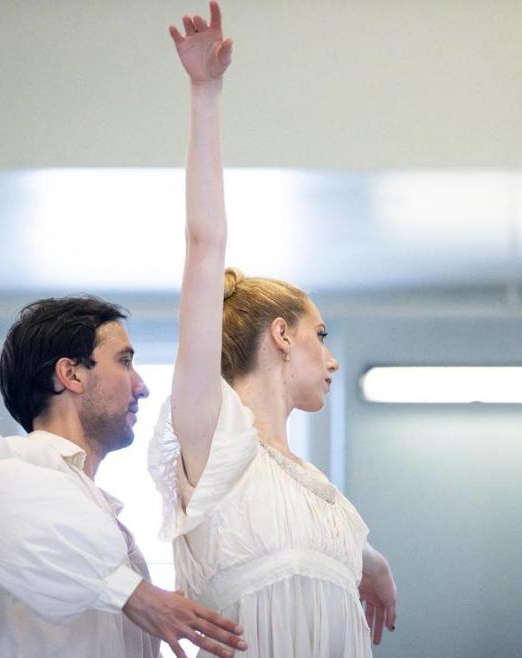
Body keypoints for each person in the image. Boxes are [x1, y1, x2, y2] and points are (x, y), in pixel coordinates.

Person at [149, 4, 398, 656]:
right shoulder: (213, 438)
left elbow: (316, 546)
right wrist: (206, 93)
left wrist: (368, 561)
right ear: (282, 335)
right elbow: (206, 244)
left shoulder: (323, 498)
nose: (334, 360)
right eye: (322, 335)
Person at [0, 296, 248, 658]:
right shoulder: (12, 462)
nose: (141, 386)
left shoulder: (94, 509)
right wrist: (133, 594)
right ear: (72, 374)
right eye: (125, 361)